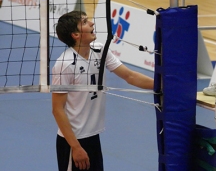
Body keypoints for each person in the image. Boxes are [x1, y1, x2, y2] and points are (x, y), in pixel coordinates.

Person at [51, 10, 154, 171]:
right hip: (73, 140)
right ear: (76, 35)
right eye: (85, 22)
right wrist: (76, 147)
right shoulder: (64, 64)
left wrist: (163, 85)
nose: (91, 23)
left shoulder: (99, 50)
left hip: (92, 136)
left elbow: (130, 76)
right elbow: (57, 109)